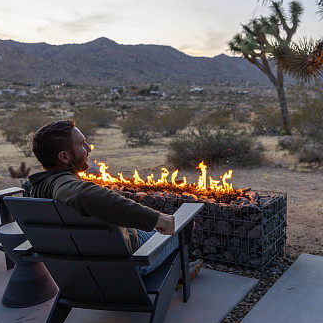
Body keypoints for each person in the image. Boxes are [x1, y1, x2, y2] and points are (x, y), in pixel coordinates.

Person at [27, 119, 201, 280]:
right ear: (64, 157)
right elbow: (85, 194)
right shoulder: (64, 185)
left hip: (80, 270)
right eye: (81, 144)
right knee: (182, 226)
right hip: (128, 263)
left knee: (148, 227)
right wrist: (156, 218)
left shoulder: (38, 188)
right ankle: (178, 273)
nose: (88, 148)